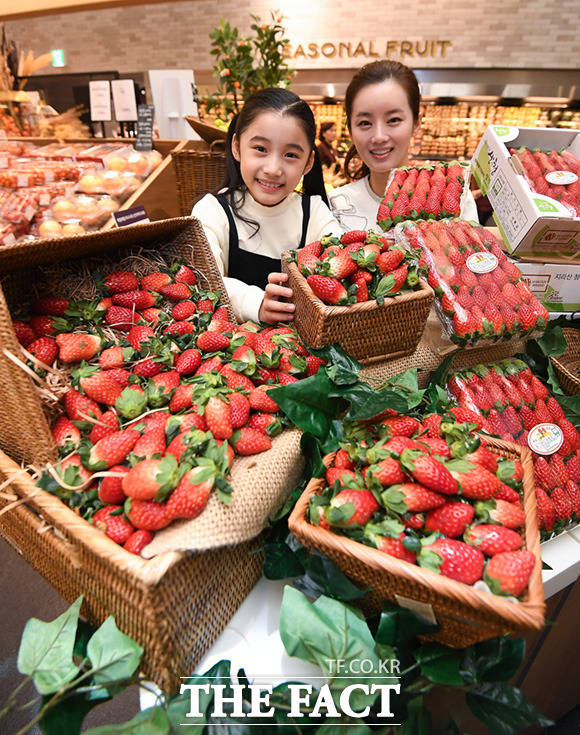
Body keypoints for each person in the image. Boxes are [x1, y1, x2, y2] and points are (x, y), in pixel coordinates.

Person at [192, 88, 341, 324]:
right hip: (228, 354)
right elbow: (201, 280)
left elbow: (342, 261)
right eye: (260, 149)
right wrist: (255, 303)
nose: (273, 168)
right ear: (237, 147)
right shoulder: (213, 211)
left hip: (301, 355)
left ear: (309, 162)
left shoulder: (314, 213)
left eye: (290, 154)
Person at [328, 60, 478, 232]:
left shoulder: (453, 198)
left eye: (393, 120)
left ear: (416, 123)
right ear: (350, 130)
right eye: (364, 123)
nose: (379, 136)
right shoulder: (335, 205)